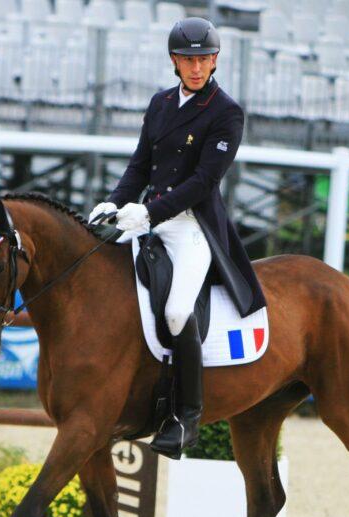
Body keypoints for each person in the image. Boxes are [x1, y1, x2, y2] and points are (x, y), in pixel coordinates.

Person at [90, 17, 266, 457]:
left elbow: (205, 181)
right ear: (174, 60)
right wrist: (113, 203)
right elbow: (139, 165)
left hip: (191, 226)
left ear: (214, 61)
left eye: (204, 59)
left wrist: (147, 211)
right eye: (188, 60)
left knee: (175, 311)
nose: (196, 67)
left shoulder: (226, 113)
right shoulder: (161, 103)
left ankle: (186, 418)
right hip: (146, 218)